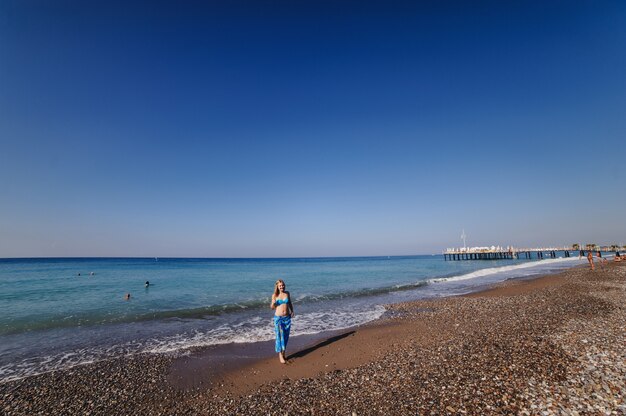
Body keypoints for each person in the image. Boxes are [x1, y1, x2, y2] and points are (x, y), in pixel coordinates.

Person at [271, 279, 294, 364]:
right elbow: (272, 308)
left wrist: (292, 311)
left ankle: (284, 352)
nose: (282, 287)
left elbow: (290, 303)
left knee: (285, 336)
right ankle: (280, 355)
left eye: (283, 285)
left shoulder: (287, 293)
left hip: (287, 318)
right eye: (280, 285)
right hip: (279, 318)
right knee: (279, 337)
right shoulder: (274, 295)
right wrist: (273, 303)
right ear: (277, 286)